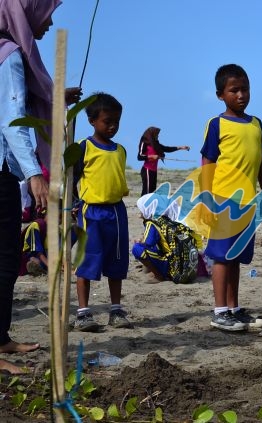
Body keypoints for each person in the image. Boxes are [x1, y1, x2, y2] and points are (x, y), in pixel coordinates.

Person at [0, 0, 81, 375]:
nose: (49, 23)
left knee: (5, 260)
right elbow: (14, 120)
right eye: (47, 12)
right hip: (3, 173)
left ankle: (1, 337)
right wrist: (35, 174)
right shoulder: (10, 55)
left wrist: (57, 99)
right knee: (2, 261)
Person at [200, 64, 262, 332]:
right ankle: (219, 311)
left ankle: (233, 307)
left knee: (237, 256)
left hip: (248, 202)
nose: (241, 95)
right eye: (234, 90)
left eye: (245, 89)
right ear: (220, 94)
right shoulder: (217, 124)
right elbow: (207, 161)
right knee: (221, 256)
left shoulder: (256, 124)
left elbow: (261, 160)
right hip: (224, 199)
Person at [72, 92, 132, 332]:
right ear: (92, 121)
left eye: (116, 121)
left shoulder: (120, 150)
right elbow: (73, 179)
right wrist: (72, 205)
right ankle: (83, 313)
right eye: (107, 121)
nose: (113, 126)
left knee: (116, 261)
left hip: (116, 213)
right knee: (88, 261)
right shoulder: (84, 148)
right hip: (91, 213)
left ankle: (116, 309)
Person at [137, 126, 190, 195]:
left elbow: (166, 148)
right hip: (147, 170)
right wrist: (152, 157)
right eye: (157, 134)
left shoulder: (155, 144)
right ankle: (141, 205)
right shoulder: (144, 142)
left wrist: (180, 147)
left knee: (152, 192)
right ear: (152, 134)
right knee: (146, 192)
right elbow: (139, 157)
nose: (158, 136)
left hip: (154, 170)